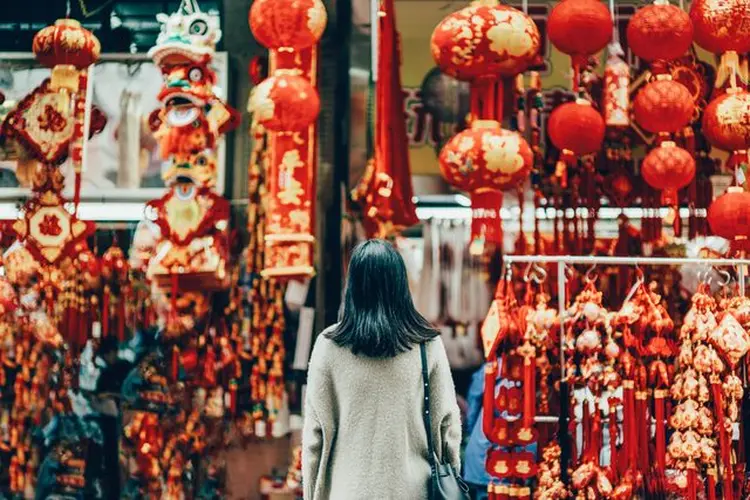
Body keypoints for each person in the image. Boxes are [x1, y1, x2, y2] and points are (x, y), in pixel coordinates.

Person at [302, 239, 462, 500]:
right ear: (400, 284)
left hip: (346, 491)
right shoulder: (426, 344)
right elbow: (447, 427)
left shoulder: (328, 346)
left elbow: (314, 438)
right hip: (412, 491)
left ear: (352, 286)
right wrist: (450, 476)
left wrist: (312, 495)